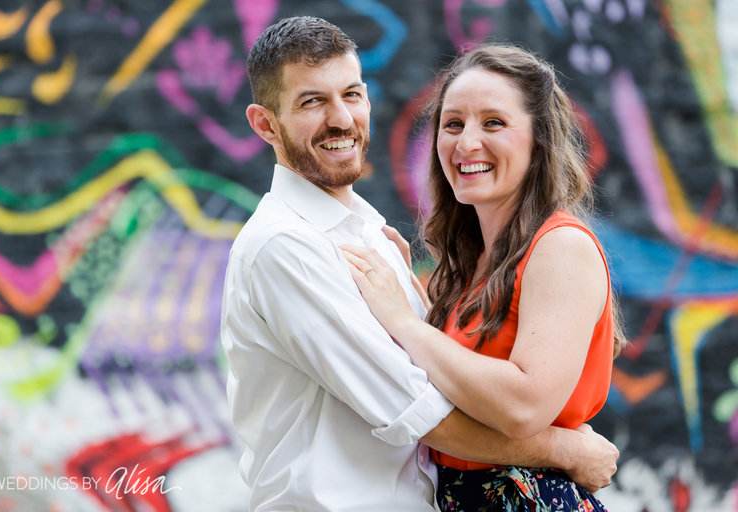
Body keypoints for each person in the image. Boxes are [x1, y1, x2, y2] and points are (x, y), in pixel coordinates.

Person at [221, 17, 618, 512]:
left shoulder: (374, 240)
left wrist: (416, 316)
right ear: (265, 124)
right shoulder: (286, 247)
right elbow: (421, 412)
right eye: (311, 101)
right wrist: (566, 449)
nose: (341, 118)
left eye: (351, 94)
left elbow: (490, 392)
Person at [341, 43, 626, 511]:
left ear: (539, 140)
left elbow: (523, 406)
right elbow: (457, 381)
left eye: (493, 122)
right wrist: (415, 300)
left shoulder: (560, 247)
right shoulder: (474, 265)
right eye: (453, 124)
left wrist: (405, 323)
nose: (466, 142)